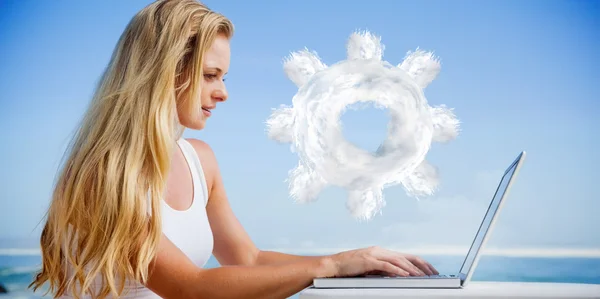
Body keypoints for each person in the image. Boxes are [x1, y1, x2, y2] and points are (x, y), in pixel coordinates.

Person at [29, 0, 439, 298]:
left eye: (223, 76)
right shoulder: (103, 173)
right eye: (210, 75)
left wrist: (353, 264)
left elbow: (248, 259)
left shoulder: (199, 160)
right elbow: (189, 289)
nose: (222, 93)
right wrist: (330, 266)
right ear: (160, 74)